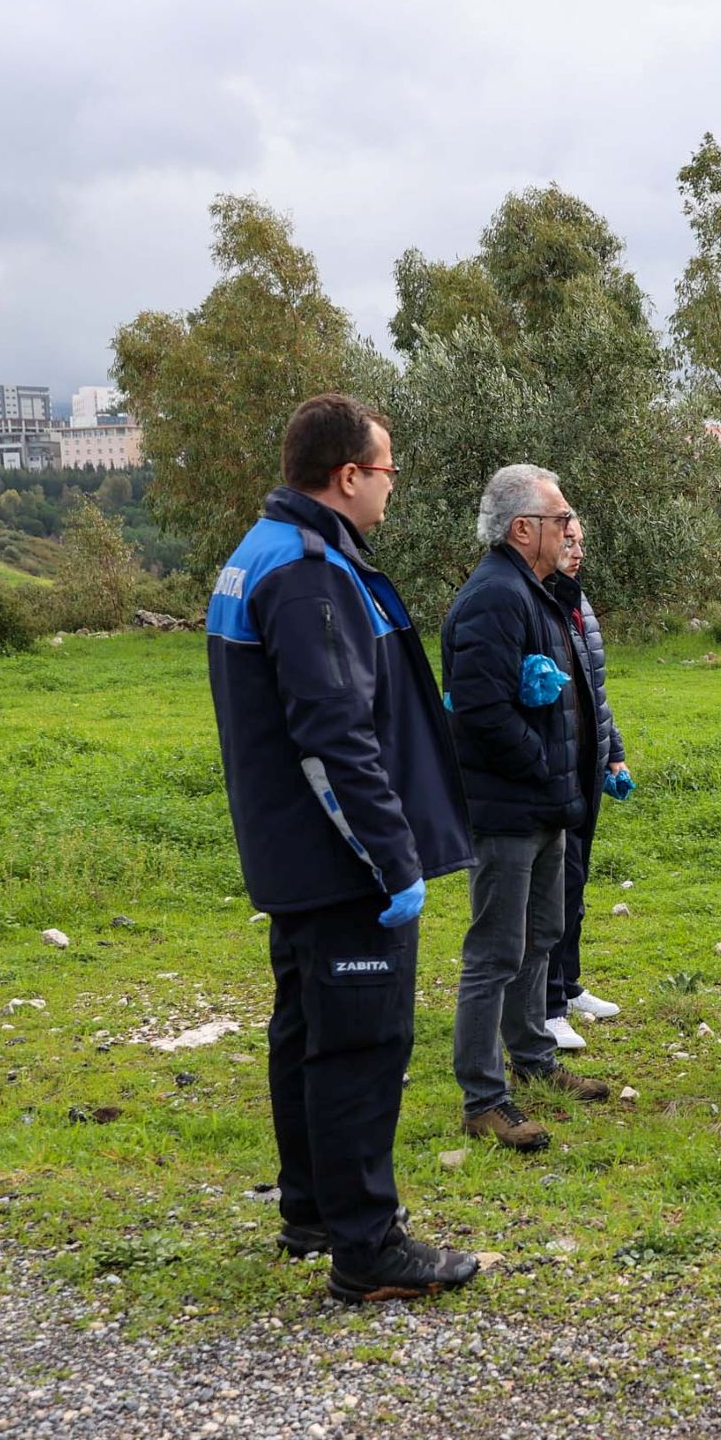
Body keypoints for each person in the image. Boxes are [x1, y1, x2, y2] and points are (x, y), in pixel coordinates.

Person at [205, 393, 479, 1304]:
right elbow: (333, 734)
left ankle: (313, 1206)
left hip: (295, 859)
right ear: (348, 474)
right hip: (339, 861)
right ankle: (368, 1245)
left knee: (307, 1031)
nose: (392, 485)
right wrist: (392, 859)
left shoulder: (261, 551)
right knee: (362, 1042)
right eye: (387, 468)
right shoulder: (309, 569)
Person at [441, 464, 610, 1149]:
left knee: (540, 936)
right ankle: (484, 1097)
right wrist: (542, 766)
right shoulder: (494, 598)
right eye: (559, 518)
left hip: (546, 806)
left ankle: (533, 1058)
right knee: (495, 951)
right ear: (522, 529)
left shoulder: (537, 591)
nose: (570, 528)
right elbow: (479, 709)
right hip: (511, 807)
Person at [540, 520, 633, 1052]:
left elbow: (593, 690)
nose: (576, 553)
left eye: (580, 544)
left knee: (576, 886)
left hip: (587, 761)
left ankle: (569, 986)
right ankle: (548, 1005)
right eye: (568, 541)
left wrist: (613, 751)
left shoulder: (578, 602)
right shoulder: (535, 604)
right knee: (558, 884)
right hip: (555, 767)